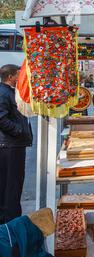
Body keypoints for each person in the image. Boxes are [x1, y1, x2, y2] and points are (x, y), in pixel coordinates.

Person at [0, 64, 33, 224]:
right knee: (11, 185)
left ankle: (10, 221)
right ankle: (11, 224)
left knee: (12, 184)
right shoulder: (3, 93)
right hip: (10, 146)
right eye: (18, 75)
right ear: (11, 77)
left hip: (13, 145)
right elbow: (2, 119)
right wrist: (19, 130)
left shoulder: (9, 92)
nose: (21, 78)